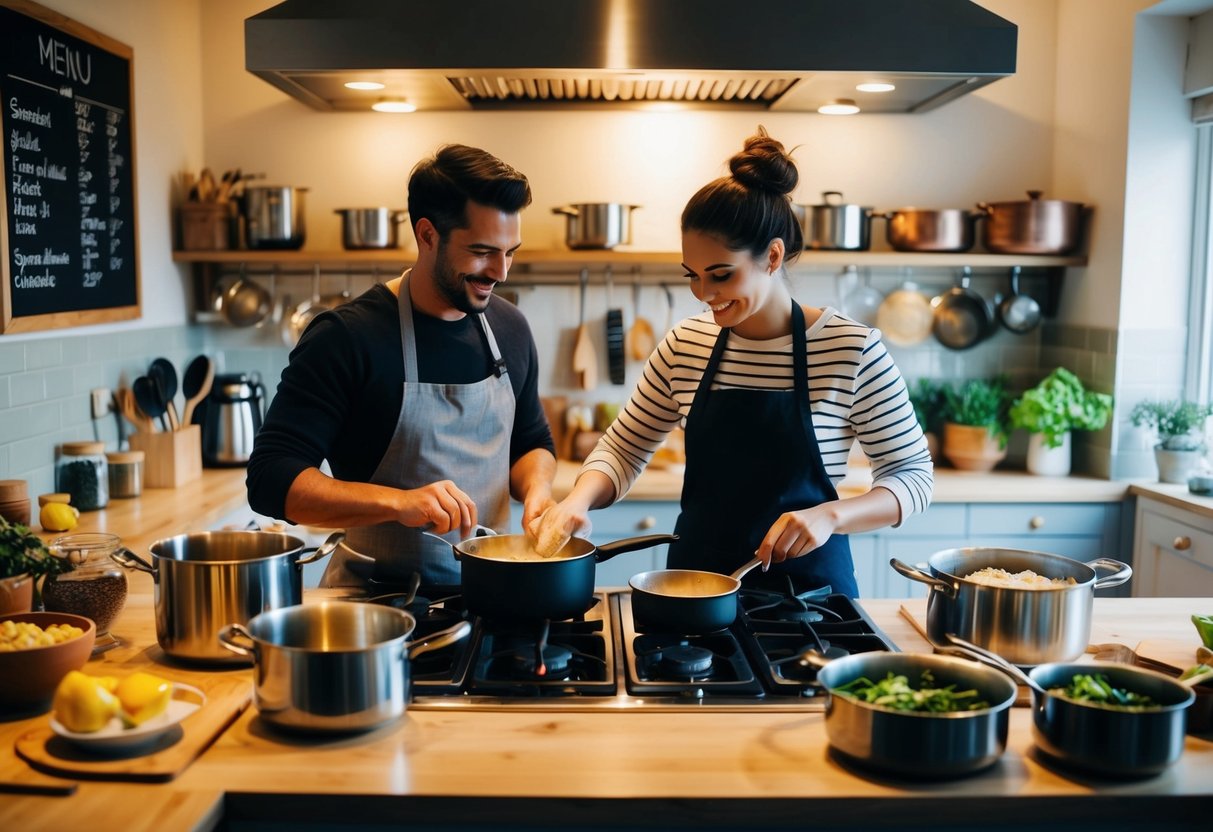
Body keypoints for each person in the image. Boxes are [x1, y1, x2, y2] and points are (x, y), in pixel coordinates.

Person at [531, 128, 933, 596]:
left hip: (812, 603)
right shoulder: (687, 343)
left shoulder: (851, 348)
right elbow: (623, 449)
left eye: (721, 275)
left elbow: (912, 478)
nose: (704, 294)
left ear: (773, 256)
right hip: (693, 593)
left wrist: (832, 515)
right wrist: (577, 500)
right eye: (693, 276)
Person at [247, 144, 557, 586]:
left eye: (510, 252)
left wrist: (537, 492)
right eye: (483, 251)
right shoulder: (347, 337)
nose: (501, 272)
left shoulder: (510, 328)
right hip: (375, 614)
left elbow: (531, 441)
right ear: (428, 234)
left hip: (494, 600)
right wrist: (400, 504)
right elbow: (271, 480)